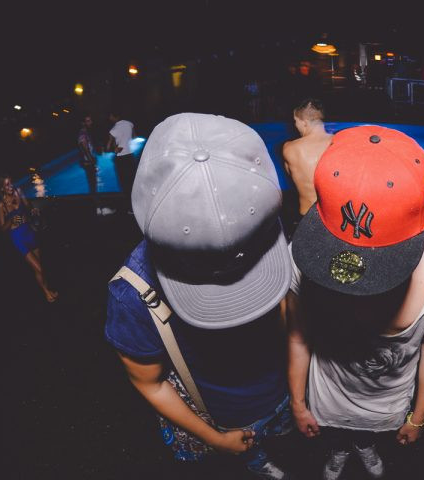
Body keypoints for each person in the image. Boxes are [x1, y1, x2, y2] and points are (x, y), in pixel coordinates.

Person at [105, 113, 294, 479]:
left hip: (281, 392)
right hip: (224, 417)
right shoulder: (133, 295)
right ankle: (257, 462)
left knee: (281, 435)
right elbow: (149, 382)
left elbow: (285, 310)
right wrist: (216, 439)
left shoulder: (260, 220)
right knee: (250, 455)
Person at [287, 126, 424, 479]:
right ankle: (340, 446)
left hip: (387, 404)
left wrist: (418, 417)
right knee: (337, 434)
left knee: (365, 433)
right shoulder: (303, 253)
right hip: (328, 399)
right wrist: (298, 403)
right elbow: (298, 335)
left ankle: (364, 442)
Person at [0, 175, 58, 302]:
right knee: (39, 268)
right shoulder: (1, 205)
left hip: (28, 232)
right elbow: (2, 229)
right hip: (18, 237)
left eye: (11, 183)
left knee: (38, 267)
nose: (10, 186)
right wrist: (11, 220)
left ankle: (47, 290)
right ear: (2, 188)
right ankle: (46, 292)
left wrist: (33, 210)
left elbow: (28, 205)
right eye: (7, 185)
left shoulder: (18, 192)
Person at [282, 98, 333, 219]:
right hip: (334, 217)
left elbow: (290, 174)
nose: (295, 125)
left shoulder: (290, 149)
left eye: (296, 121)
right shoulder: (340, 142)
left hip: (307, 216)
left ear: (304, 122)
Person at [78, 115, 115, 216]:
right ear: (83, 123)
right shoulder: (82, 134)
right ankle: (100, 208)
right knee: (93, 186)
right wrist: (92, 162)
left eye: (90, 120)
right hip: (88, 163)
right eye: (88, 121)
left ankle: (98, 208)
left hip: (88, 162)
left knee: (93, 185)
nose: (91, 122)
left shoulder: (86, 133)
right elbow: (84, 148)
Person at [106, 110, 137, 214]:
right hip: (131, 156)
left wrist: (114, 148)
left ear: (113, 116)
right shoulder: (130, 124)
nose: (109, 118)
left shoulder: (113, 129)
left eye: (110, 116)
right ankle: (136, 206)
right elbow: (134, 137)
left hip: (121, 158)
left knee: (125, 183)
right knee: (133, 181)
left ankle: (130, 208)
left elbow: (108, 147)